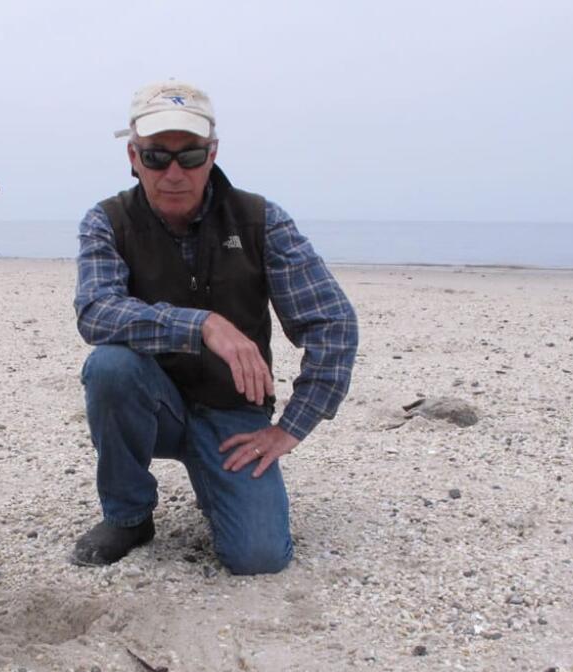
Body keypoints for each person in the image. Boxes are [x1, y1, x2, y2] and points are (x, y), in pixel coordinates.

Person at [72, 80, 358, 575]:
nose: (174, 173)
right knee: (109, 367)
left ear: (213, 153)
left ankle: (215, 479)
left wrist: (291, 429)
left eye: (192, 156)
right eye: (158, 156)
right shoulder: (107, 221)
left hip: (233, 415)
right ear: (133, 156)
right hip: (151, 403)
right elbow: (95, 311)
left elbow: (333, 322)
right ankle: (129, 515)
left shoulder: (260, 220)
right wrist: (200, 324)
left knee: (259, 558)